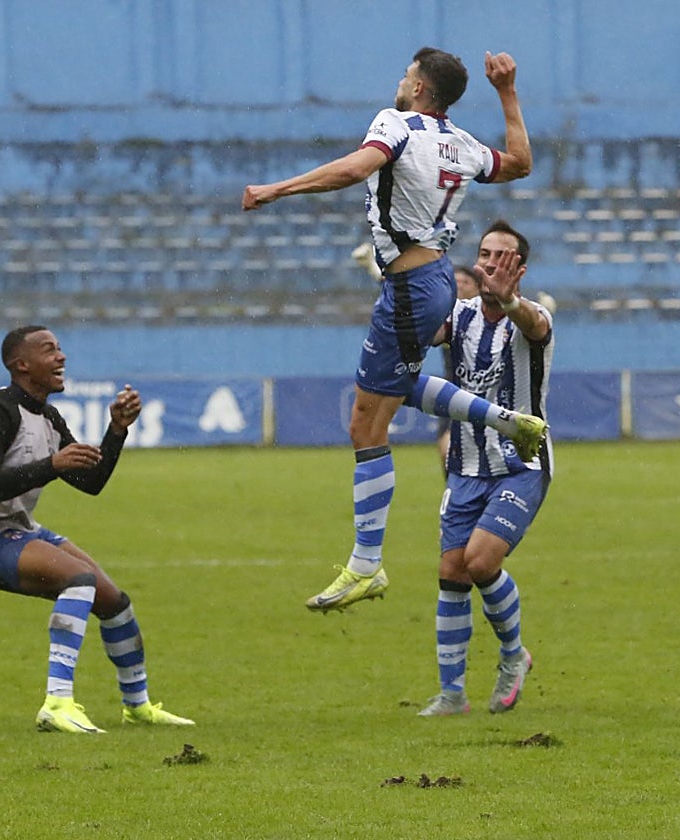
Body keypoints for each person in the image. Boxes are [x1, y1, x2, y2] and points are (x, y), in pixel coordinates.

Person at [242, 47, 547, 612]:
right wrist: (506, 93)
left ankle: (365, 565)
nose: (399, 82)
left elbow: (357, 168)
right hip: (428, 282)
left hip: (411, 290)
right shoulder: (463, 144)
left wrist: (275, 190)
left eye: (406, 76)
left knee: (366, 423)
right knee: (388, 391)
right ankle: (505, 419)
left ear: (421, 89)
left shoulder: (395, 124)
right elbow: (522, 163)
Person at [0, 325, 194, 733]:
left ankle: (138, 705)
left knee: (114, 601)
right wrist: (51, 466)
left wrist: (117, 430)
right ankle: (57, 703)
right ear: (20, 364)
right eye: (49, 350)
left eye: (60, 349)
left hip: (17, 527)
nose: (61, 357)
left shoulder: (49, 417)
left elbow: (90, 482)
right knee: (78, 579)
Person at [415, 220, 552, 716]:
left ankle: (513, 656)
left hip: (521, 464)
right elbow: (423, 332)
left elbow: (535, 325)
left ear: (519, 268)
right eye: (486, 254)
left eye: (502, 256)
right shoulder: (461, 315)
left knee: (480, 561)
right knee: (452, 571)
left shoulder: (532, 317)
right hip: (466, 465)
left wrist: (511, 301)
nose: (491, 263)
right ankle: (452, 693)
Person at [436, 265, 482, 469]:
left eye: (466, 282)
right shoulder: (444, 314)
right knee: (447, 451)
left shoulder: (488, 317)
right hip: (454, 390)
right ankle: (456, 491)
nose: (461, 286)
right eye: (457, 282)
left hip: (487, 390)